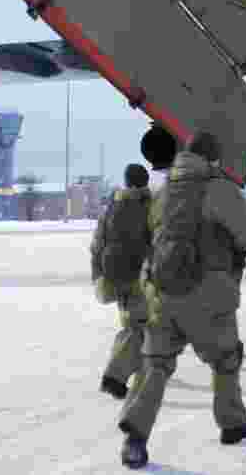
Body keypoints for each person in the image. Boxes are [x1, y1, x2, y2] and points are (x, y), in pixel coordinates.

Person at [117, 131, 246, 469]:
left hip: (163, 291)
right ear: (213, 158)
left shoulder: (165, 190)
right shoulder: (218, 188)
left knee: (156, 364)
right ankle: (232, 423)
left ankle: (135, 439)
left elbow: (154, 232)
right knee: (226, 359)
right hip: (207, 294)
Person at [91, 163, 153, 400]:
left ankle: (136, 369)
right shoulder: (147, 206)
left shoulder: (112, 206)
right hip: (138, 277)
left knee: (134, 324)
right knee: (139, 327)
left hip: (114, 275)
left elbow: (97, 243)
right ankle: (114, 377)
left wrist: (99, 274)